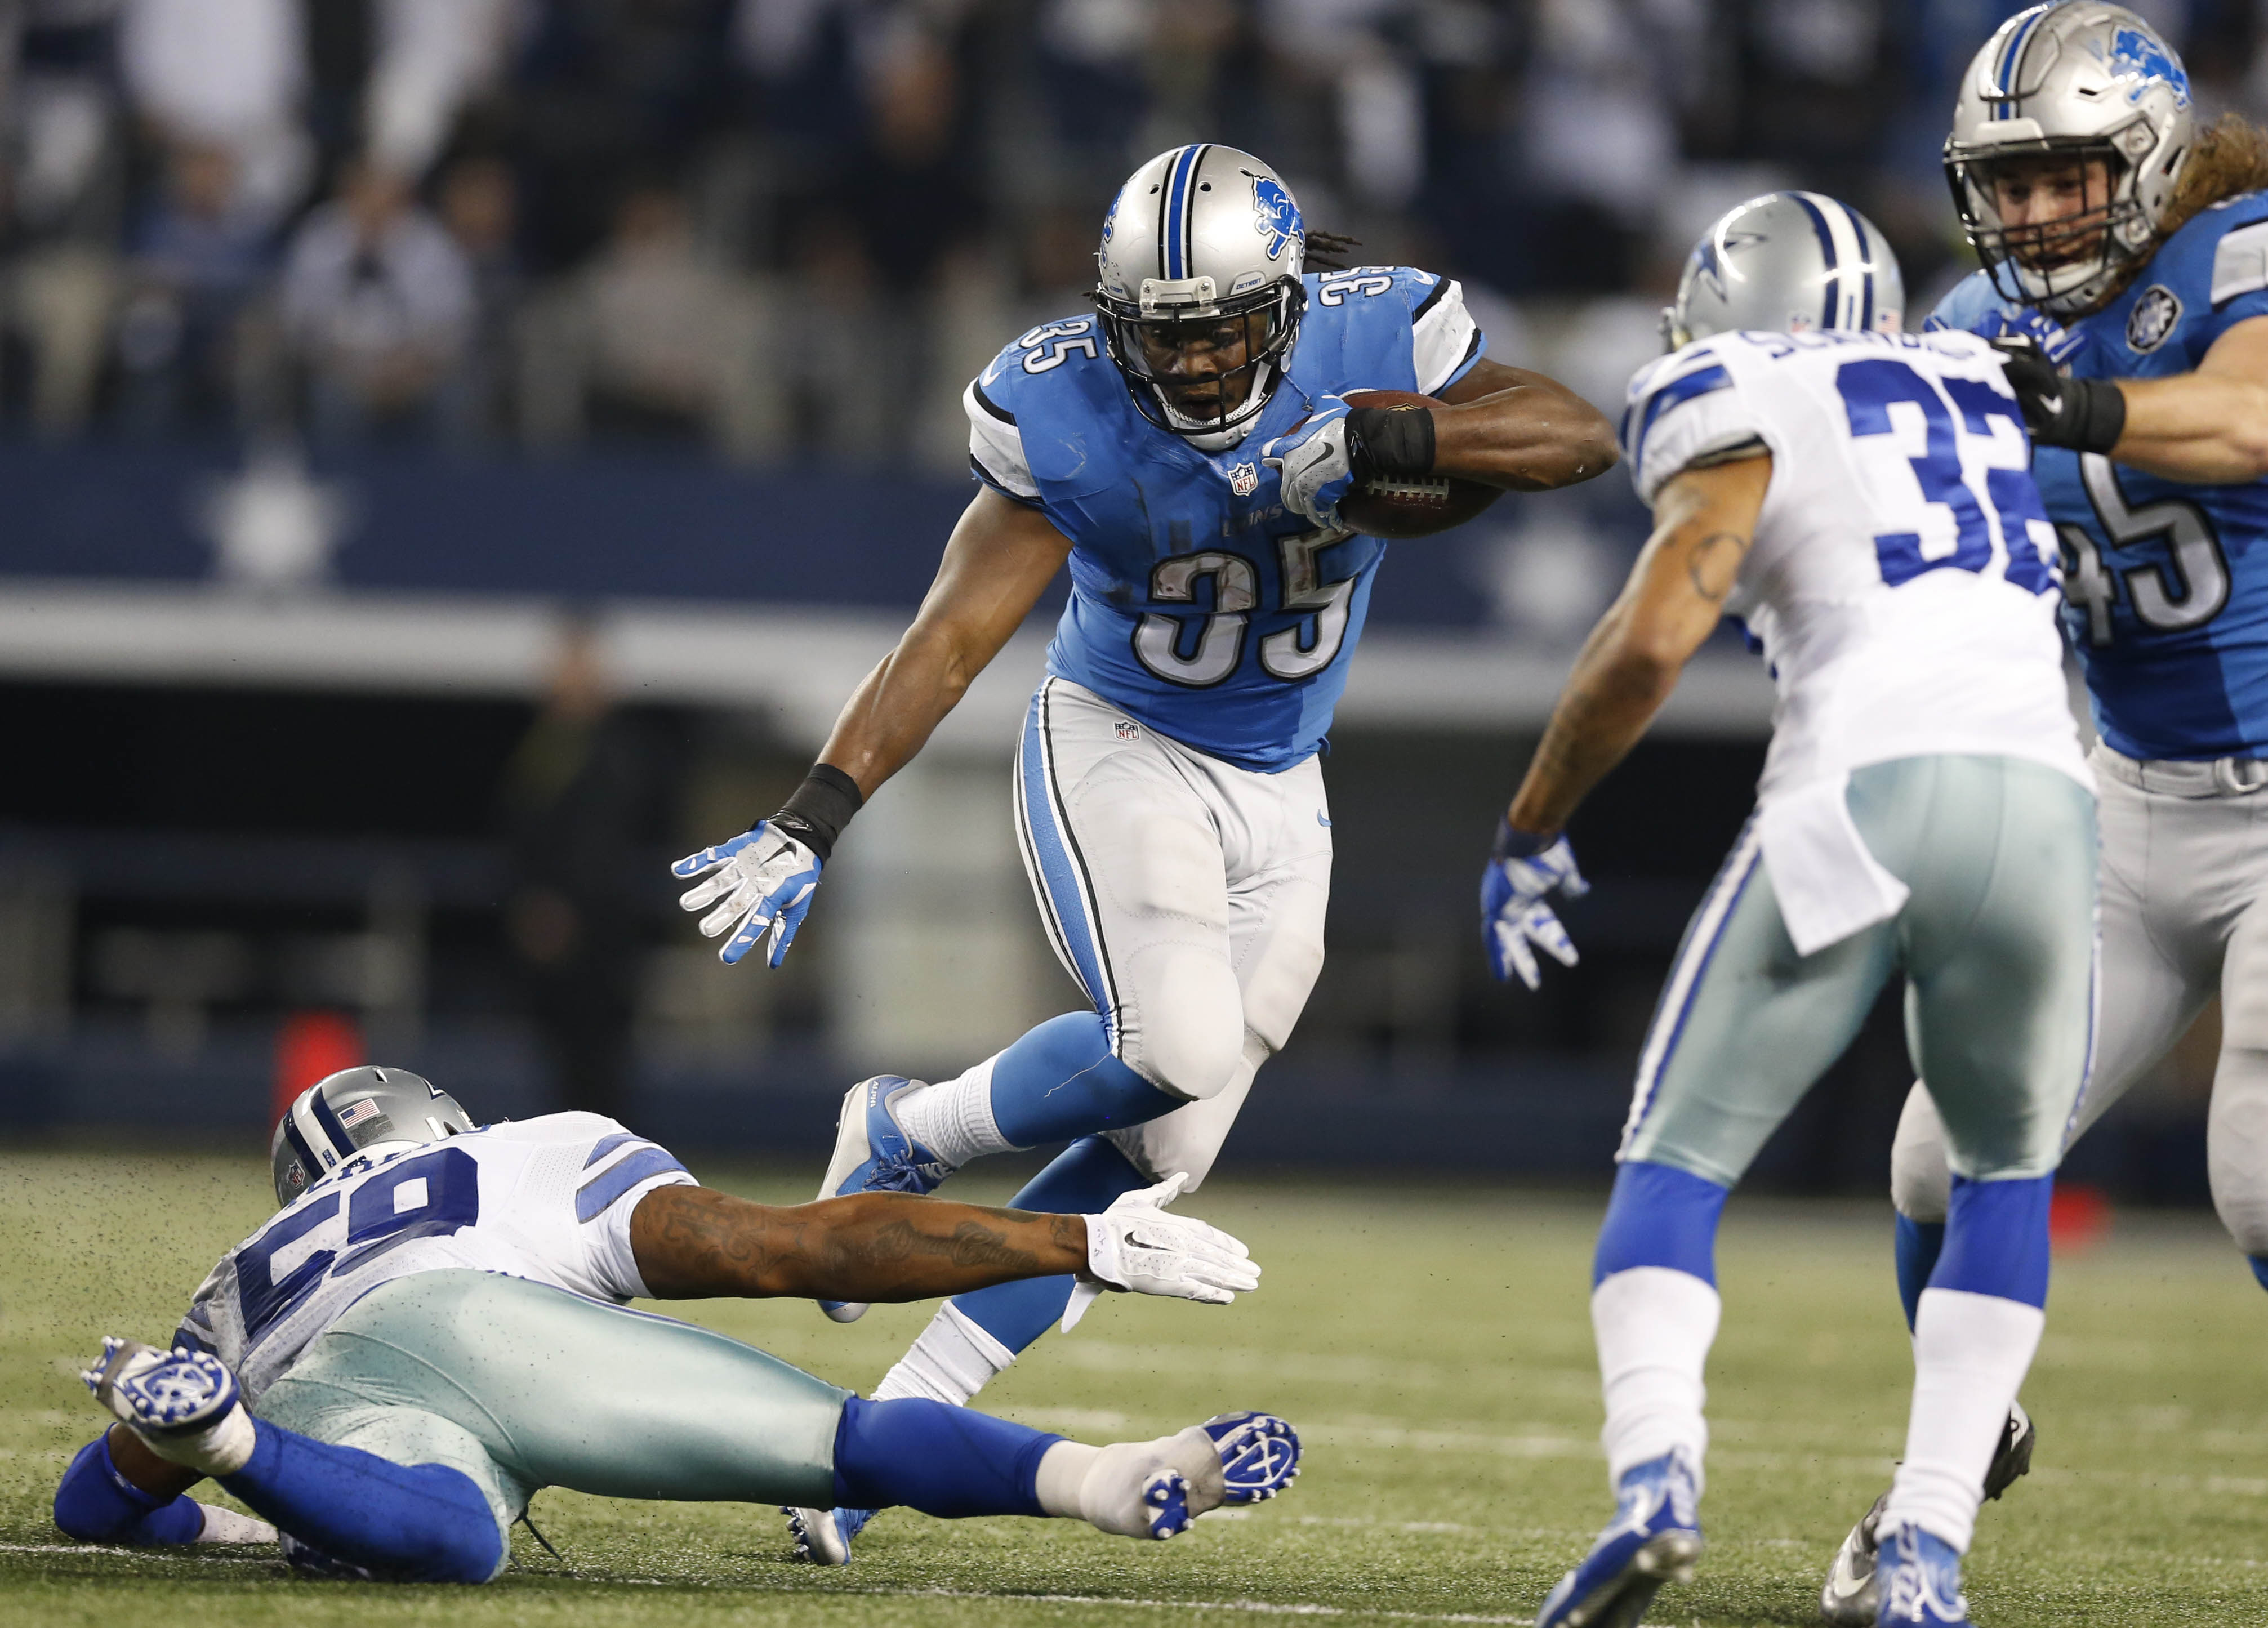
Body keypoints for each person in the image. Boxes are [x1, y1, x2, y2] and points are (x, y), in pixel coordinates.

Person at [669, 141, 1616, 1556]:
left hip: (1285, 779)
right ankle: (907, 1129)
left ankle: (873, 1459)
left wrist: (1396, 438)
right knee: (1172, 1041)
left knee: (1161, 1155)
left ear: (1288, 304)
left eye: (1231, 324)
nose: (1201, 359)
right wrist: (817, 811)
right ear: (1119, 321)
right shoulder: (1058, 404)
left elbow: (1574, 435)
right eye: (1168, 332)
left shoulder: (1378, 325)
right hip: (1120, 740)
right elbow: (951, 633)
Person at [1484, 194, 2096, 1628]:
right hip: (2050, 802)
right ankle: (1928, 1554)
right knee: (2004, 1181)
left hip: (1863, 790)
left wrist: (1530, 822)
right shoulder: (1979, 372)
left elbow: (1651, 637)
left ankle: (1656, 1489)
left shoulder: (1727, 382)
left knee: (1673, 1163)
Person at [1821, 7, 2268, 1618]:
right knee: (1937, 1157)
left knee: (2259, 1176)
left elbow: (2245, 420)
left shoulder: (2237, 255)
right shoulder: (1968, 322)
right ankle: (1950, 1451)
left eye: (2062, 178)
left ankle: (1920, 1508)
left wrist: (2060, 408)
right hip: (2124, 802)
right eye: (2001, 188)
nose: (2027, 218)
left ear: (2143, 157)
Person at [54, 1064, 1295, 1580]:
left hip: (314, 1394)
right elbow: (787, 1250)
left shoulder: (237, 1275)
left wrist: (238, 1495)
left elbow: (92, 1510)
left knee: (452, 1542)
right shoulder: (519, 1157)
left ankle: (232, 1443)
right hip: (483, 1324)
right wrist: (1070, 1240)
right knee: (850, 1442)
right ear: (435, 1118)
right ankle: (1112, 1479)